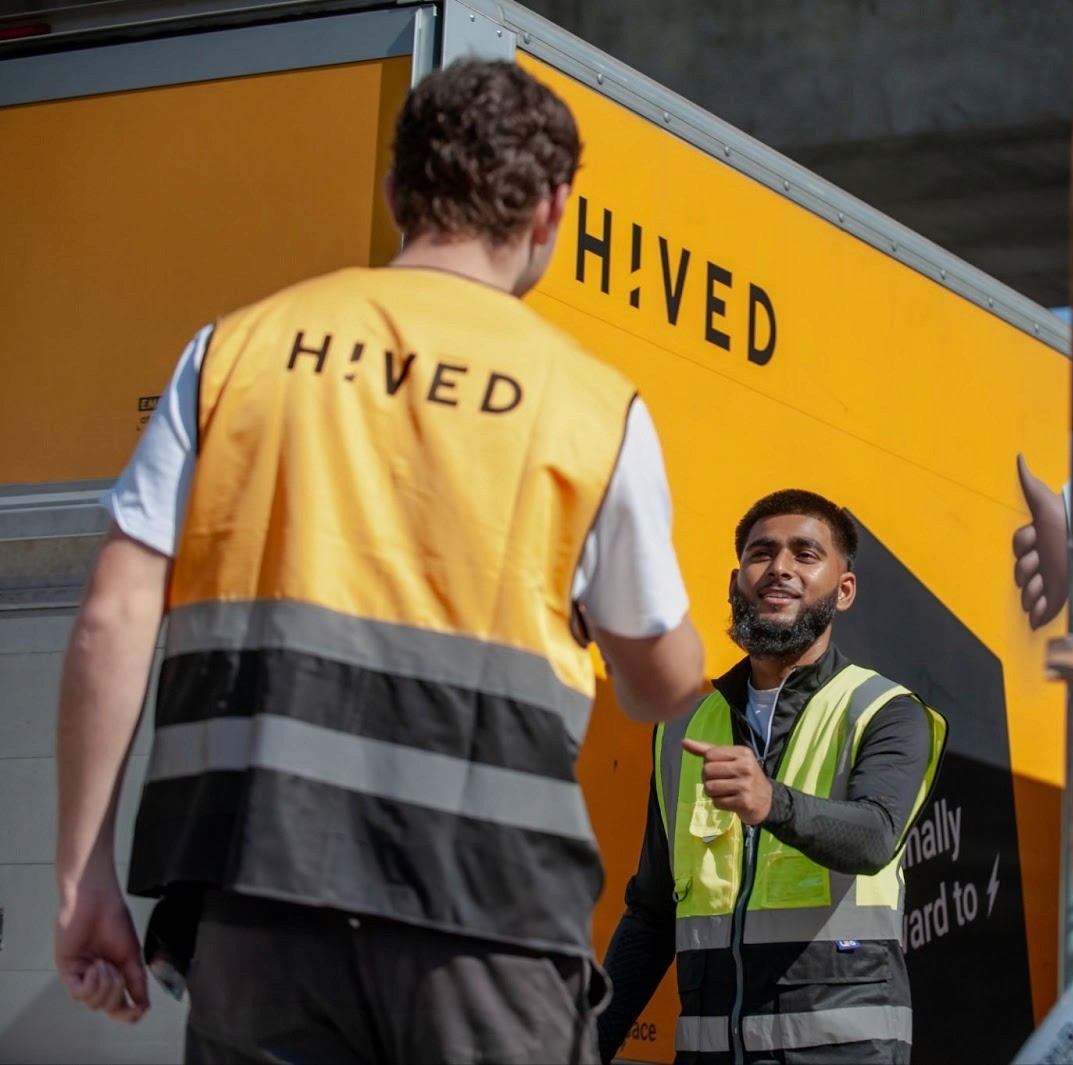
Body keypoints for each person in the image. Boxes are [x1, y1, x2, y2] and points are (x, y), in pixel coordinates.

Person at [52, 58, 704, 1065]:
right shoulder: (590, 406)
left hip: (259, 900)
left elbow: (112, 616)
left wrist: (82, 875)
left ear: (395, 194)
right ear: (550, 212)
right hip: (487, 916)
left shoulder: (233, 352)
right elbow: (660, 685)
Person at [598, 489, 948, 1064]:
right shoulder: (681, 727)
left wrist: (772, 803)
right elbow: (652, 916)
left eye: (805, 554)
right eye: (761, 553)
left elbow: (875, 836)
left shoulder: (886, 711)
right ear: (735, 583)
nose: (779, 567)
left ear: (844, 590)